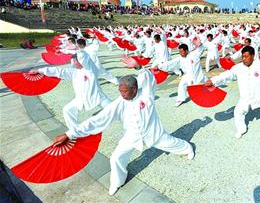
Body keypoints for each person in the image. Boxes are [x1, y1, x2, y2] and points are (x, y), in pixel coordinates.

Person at [53, 75, 194, 196]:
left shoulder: (147, 94)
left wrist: (139, 66)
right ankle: (117, 182)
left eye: (124, 91)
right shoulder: (120, 102)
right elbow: (98, 119)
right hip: (131, 136)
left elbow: (150, 77)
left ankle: (188, 148)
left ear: (134, 89)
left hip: (153, 133)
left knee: (171, 143)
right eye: (120, 91)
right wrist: (69, 134)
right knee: (115, 158)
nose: (122, 94)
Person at [205, 46, 260, 139]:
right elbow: (227, 75)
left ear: (253, 56)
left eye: (246, 57)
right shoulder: (237, 67)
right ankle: (241, 129)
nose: (244, 59)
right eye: (243, 57)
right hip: (245, 98)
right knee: (238, 112)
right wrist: (213, 80)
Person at [29, 50, 111, 129]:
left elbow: (83, 56)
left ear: (82, 61)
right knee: (67, 110)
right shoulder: (74, 72)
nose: (74, 63)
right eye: (73, 61)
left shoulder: (90, 69)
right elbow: (59, 71)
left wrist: (78, 50)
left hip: (97, 97)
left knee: (113, 109)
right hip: (80, 99)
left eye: (75, 61)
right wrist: (39, 70)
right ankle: (75, 130)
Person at [154, 40, 205, 107]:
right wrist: (159, 66)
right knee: (182, 84)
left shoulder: (194, 54)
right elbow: (170, 63)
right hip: (187, 75)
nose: (180, 53)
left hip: (197, 75)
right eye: (179, 52)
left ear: (186, 51)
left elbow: (201, 48)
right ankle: (181, 99)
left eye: (181, 51)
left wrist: (200, 44)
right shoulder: (180, 59)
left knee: (205, 85)